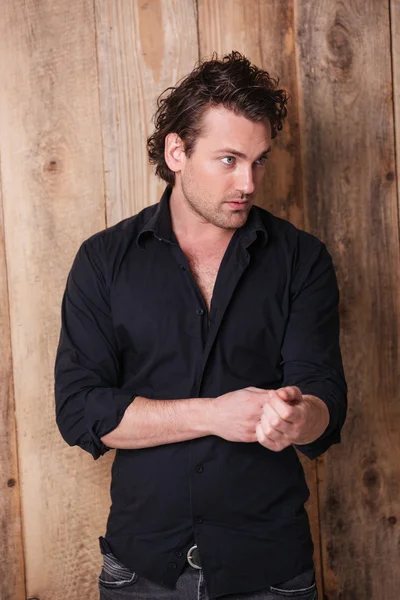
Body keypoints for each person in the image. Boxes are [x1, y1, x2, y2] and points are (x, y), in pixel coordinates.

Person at [55, 51, 347, 600]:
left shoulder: (301, 260)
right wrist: (216, 415)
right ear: (176, 152)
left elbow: (325, 397)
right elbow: (80, 410)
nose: (249, 183)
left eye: (259, 161)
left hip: (270, 568)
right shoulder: (103, 260)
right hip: (143, 569)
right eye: (229, 160)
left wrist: (299, 418)